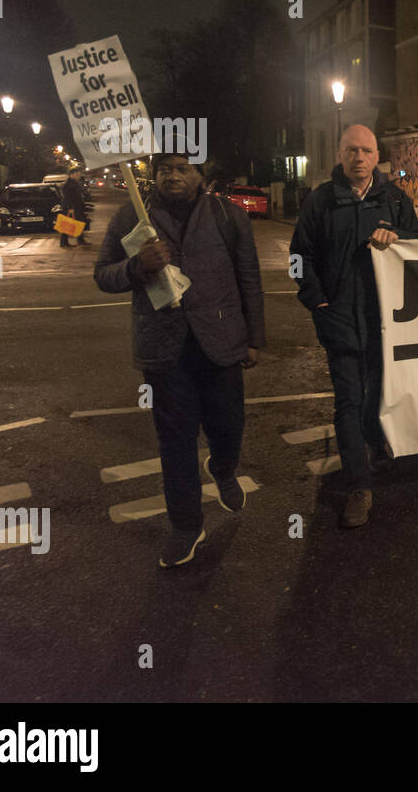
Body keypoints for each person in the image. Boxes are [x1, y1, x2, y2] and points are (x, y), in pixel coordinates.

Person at [94, 153, 265, 567]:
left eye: (182, 168)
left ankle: (223, 468)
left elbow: (249, 278)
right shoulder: (132, 216)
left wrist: (254, 338)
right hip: (164, 350)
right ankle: (187, 526)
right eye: (164, 168)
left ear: (201, 175)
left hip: (221, 340)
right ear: (153, 175)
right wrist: (136, 267)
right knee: (175, 441)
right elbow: (103, 274)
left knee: (229, 425)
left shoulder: (227, 215)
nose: (172, 175)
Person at [292, 125, 418, 528]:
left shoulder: (396, 199)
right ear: (339, 152)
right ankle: (358, 487)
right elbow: (300, 258)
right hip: (340, 321)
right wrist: (318, 300)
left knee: (376, 395)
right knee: (347, 402)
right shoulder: (321, 201)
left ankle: (373, 442)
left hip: (384, 322)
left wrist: (398, 235)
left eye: (366, 151)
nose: (359, 158)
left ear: (377, 155)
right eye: (352, 150)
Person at [60, 166, 91, 247]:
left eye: (79, 174)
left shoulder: (74, 182)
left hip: (76, 206)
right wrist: (70, 208)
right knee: (67, 224)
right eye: (77, 174)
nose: (79, 176)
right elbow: (67, 197)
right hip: (71, 207)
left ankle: (80, 240)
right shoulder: (68, 184)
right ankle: (64, 242)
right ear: (71, 175)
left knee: (78, 223)